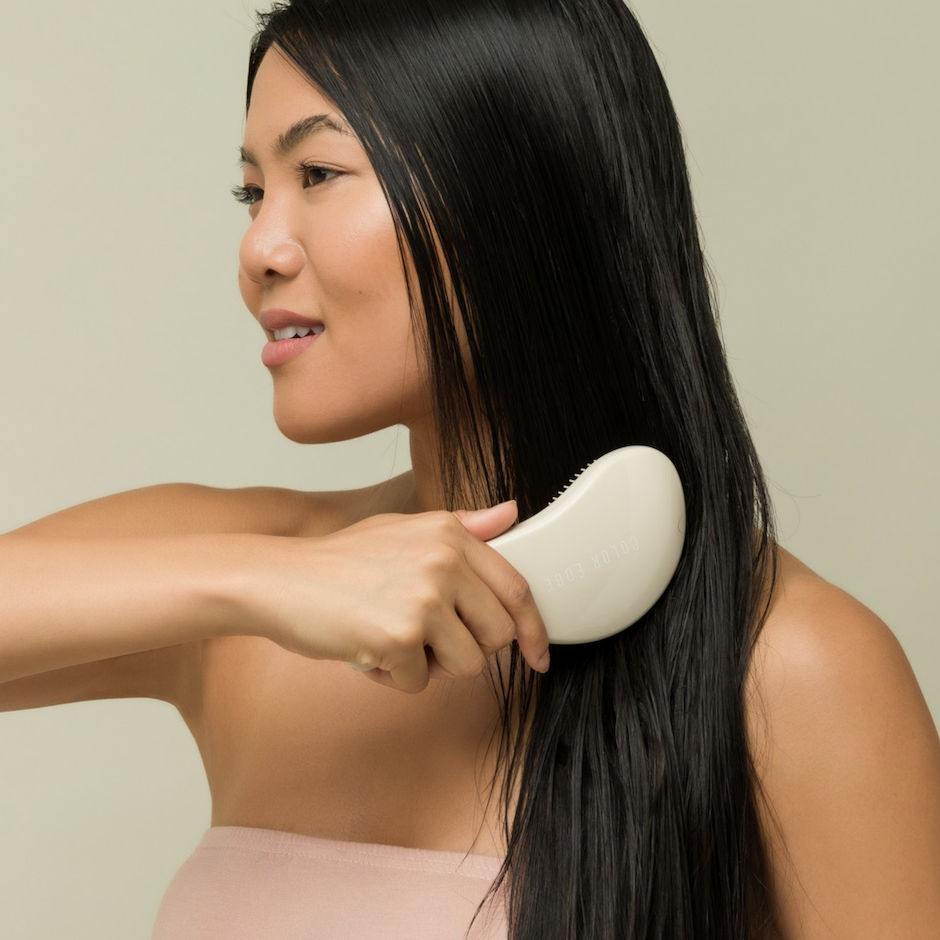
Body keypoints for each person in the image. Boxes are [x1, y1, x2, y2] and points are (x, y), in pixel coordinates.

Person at [2, 0, 939, 938]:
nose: (258, 251)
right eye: (254, 193)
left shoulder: (793, 672)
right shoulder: (249, 597)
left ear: (515, 191)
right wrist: (264, 579)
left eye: (318, 173)